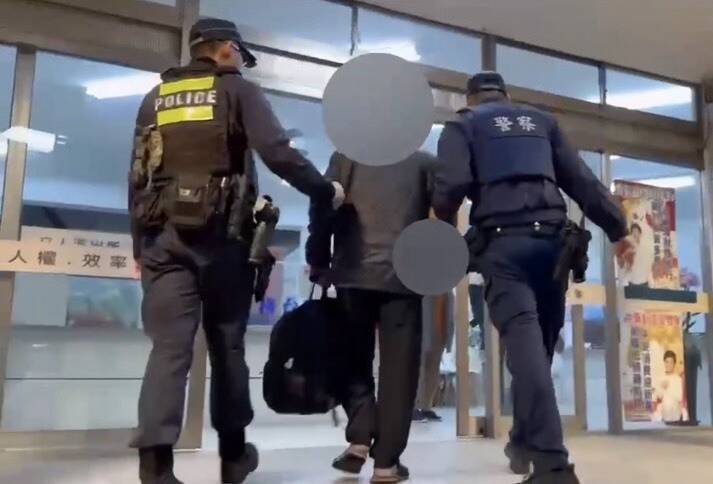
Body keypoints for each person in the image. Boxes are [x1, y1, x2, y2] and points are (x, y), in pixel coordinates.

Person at [128, 18, 344, 484]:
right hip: (222, 240)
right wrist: (324, 190)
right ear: (226, 49)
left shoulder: (155, 98)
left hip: (162, 240)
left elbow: (139, 174)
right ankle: (232, 456)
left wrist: (138, 244)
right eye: (241, 54)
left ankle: (155, 467)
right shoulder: (236, 91)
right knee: (226, 346)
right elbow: (278, 152)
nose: (241, 62)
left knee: (168, 350)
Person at [433, 72, 627, 484]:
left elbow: (451, 186)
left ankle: (553, 465)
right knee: (537, 352)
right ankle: (522, 441)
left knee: (526, 352)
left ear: (470, 98)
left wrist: (440, 224)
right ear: (507, 96)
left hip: (504, 248)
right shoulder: (541, 122)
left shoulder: (462, 125)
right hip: (553, 248)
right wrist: (618, 229)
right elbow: (581, 180)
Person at [307, 150, 436, 483]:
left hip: (352, 272)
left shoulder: (345, 157)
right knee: (400, 370)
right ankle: (386, 462)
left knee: (352, 359)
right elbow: (444, 212)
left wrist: (318, 258)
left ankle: (360, 437)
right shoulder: (423, 163)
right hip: (404, 276)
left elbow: (323, 205)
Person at [413, 291, 453, 423]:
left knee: (433, 370)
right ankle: (414, 406)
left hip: (439, 330)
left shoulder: (446, 289)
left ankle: (426, 406)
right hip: (422, 330)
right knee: (419, 367)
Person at [654, 350, 688, 423]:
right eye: (667, 362)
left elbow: (680, 397)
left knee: (670, 402)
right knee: (663, 406)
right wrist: (663, 389)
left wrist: (667, 390)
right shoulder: (660, 378)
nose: (668, 364)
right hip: (664, 413)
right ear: (664, 362)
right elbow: (658, 396)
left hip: (675, 412)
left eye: (671, 362)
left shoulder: (678, 379)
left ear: (674, 364)